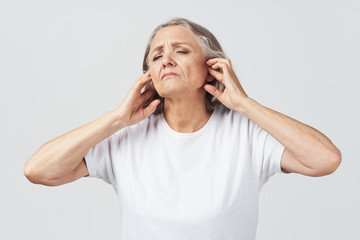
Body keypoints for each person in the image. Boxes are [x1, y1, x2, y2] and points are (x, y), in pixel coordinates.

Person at [24, 17, 342, 240]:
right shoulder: (124, 137)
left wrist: (245, 104)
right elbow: (38, 170)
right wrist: (116, 119)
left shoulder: (247, 134)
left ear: (213, 66)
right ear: (149, 74)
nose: (167, 60)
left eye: (181, 50)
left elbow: (325, 159)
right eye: (157, 55)